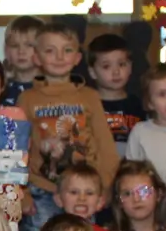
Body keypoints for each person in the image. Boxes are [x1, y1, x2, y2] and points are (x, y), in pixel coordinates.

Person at [18, 21, 121, 195]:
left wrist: (104, 186)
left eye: (67, 50)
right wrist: (22, 192)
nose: (59, 57)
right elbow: (17, 149)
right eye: (50, 51)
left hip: (86, 189)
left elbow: (106, 145)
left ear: (77, 58)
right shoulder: (27, 99)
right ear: (36, 57)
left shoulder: (89, 96)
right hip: (43, 190)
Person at [88, 33, 143, 159]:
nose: (116, 72)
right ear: (92, 72)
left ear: (130, 67)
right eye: (106, 66)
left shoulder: (139, 105)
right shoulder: (87, 105)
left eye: (122, 64)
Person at [0, 15, 44, 105]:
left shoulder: (53, 87)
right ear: (6, 51)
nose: (21, 52)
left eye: (29, 45)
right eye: (14, 45)